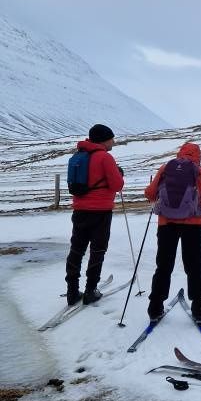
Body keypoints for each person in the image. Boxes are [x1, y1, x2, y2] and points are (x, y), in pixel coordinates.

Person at [144, 142, 201, 322]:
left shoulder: (165, 168)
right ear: (198, 156)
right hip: (193, 225)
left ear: (180, 153)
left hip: (166, 223)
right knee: (194, 267)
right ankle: (199, 310)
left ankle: (154, 308)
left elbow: (149, 194)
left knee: (163, 266)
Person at [65, 124, 124, 305]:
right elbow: (117, 185)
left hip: (80, 210)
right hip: (101, 212)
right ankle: (91, 290)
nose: (113, 142)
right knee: (97, 250)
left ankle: (72, 291)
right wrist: (119, 174)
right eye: (111, 138)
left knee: (76, 250)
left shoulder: (78, 156)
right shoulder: (105, 157)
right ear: (103, 140)